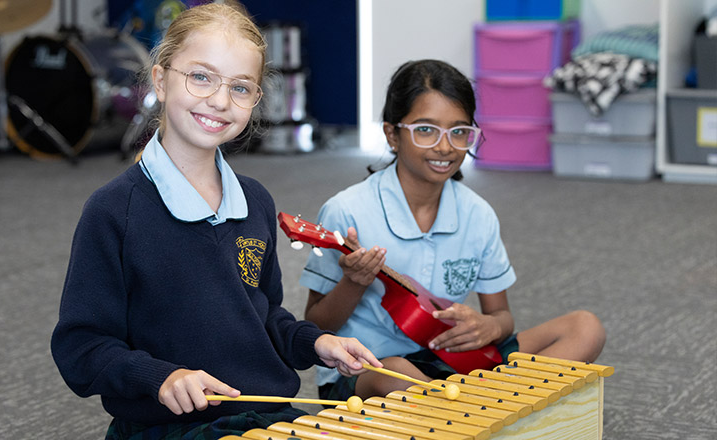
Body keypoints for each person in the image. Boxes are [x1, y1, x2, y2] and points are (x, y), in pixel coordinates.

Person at [50, 3, 381, 439]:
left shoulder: (255, 202)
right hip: (169, 427)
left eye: (241, 88)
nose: (221, 101)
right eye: (201, 77)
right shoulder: (113, 211)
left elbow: (262, 316)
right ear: (161, 80)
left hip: (264, 417)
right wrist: (161, 378)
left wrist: (314, 342)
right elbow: (82, 347)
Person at [300, 59, 606, 402]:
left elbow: (501, 317)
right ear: (392, 135)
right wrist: (353, 282)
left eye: (459, 132)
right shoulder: (347, 211)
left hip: (454, 362)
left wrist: (490, 327)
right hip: (368, 371)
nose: (445, 147)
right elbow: (318, 326)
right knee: (397, 375)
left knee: (585, 327)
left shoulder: (478, 214)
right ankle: (495, 406)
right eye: (426, 130)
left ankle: (475, 407)